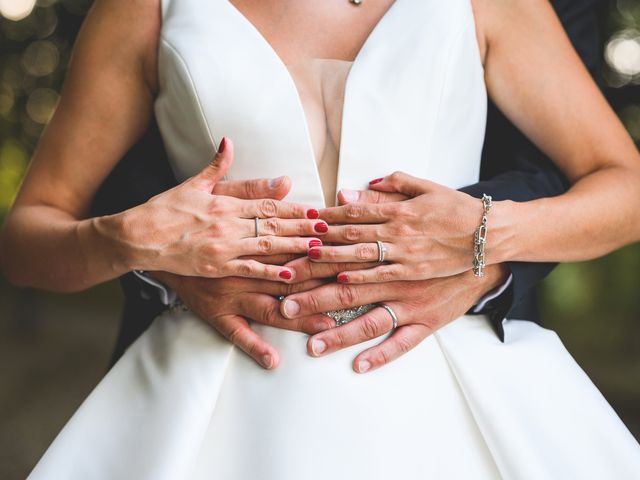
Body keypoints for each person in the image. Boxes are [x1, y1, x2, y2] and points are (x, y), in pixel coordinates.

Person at [1, 0, 640, 478]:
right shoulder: (146, 7)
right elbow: (27, 238)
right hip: (213, 402)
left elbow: (625, 187)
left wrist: (483, 232)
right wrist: (131, 240)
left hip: (446, 389)